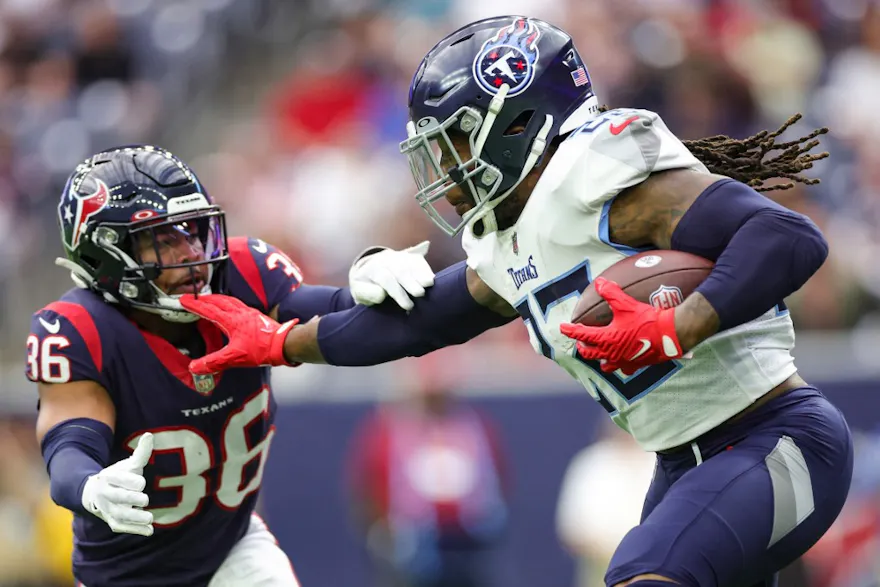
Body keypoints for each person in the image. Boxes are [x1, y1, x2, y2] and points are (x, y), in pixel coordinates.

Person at [175, 16, 853, 587]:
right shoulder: (516, 236)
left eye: (459, 139)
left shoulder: (598, 177)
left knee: (645, 571)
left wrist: (681, 323)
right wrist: (280, 341)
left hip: (774, 437)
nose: (447, 167)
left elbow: (787, 236)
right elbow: (424, 320)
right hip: (685, 463)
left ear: (518, 122)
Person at [26, 144, 435, 587]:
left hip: (231, 551)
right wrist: (89, 486)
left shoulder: (242, 274)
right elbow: (69, 444)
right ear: (105, 253)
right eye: (162, 240)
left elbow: (324, 313)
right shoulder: (80, 328)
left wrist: (361, 284)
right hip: (125, 576)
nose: (188, 252)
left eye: (190, 231)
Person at [347, 354, 509, 587]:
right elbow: (367, 485)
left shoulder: (473, 426)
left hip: (467, 540)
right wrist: (382, 530)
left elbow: (497, 476)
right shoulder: (387, 430)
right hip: (410, 542)